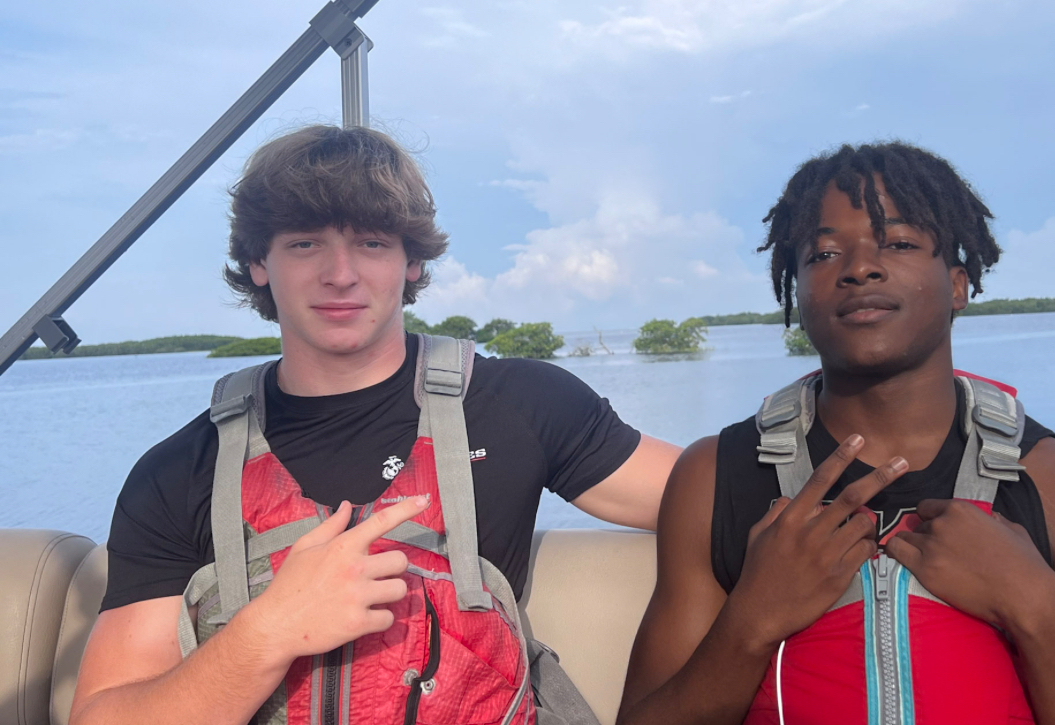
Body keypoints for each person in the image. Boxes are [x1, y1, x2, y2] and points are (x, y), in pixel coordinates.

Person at [69, 124, 681, 725]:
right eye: (305, 243)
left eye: (372, 243)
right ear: (259, 261)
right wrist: (267, 632)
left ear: (412, 262)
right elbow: (104, 713)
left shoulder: (521, 405)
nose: (341, 274)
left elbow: (717, 496)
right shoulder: (178, 472)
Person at [619, 142, 1055, 725]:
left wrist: (1039, 612)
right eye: (824, 252)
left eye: (900, 243)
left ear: (958, 285)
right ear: (795, 292)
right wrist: (751, 621)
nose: (860, 267)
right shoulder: (716, 477)